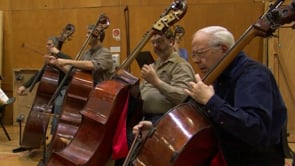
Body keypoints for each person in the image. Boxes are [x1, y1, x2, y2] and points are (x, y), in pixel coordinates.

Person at [133, 26, 288, 166]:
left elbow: (254, 130)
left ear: (224, 48)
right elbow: (201, 123)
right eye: (193, 54)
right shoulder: (217, 76)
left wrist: (211, 101)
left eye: (200, 53)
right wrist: (158, 130)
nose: (195, 60)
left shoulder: (253, 75)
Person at [115, 28, 195, 165]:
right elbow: (145, 92)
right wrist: (134, 90)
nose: (156, 46)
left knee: (132, 141)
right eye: (153, 42)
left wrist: (156, 81)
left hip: (166, 120)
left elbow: (183, 98)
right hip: (144, 116)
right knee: (120, 135)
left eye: (160, 41)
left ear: (171, 41)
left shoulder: (181, 66)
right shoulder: (153, 65)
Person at [48, 24, 113, 86]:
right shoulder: (86, 53)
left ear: (98, 36)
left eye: (89, 33)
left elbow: (92, 65)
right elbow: (74, 72)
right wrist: (56, 63)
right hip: (85, 88)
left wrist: (67, 61)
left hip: (99, 91)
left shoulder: (105, 52)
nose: (86, 36)